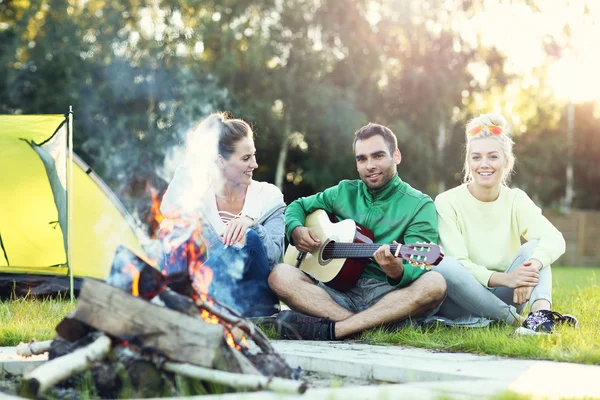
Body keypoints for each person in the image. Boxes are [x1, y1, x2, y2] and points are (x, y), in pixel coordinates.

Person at [267, 123, 447, 340]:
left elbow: (422, 265)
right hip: (335, 291)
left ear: (396, 156)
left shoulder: (419, 204)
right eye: (362, 159)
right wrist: (295, 229)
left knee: (435, 284)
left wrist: (398, 271)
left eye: (378, 156)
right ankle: (370, 327)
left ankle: (338, 329)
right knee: (279, 275)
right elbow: (298, 206)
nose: (369, 165)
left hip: (387, 296)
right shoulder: (343, 191)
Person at [433, 113, 577, 334]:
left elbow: (554, 238)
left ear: (506, 162)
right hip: (463, 297)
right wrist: (509, 278)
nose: (484, 165)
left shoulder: (516, 199)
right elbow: (459, 264)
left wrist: (531, 268)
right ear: (468, 162)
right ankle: (515, 320)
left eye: (493, 157)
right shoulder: (447, 202)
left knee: (536, 249)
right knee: (446, 265)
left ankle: (540, 316)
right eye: (476, 157)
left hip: (509, 293)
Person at [160, 113, 284, 317]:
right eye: (246, 158)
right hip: (219, 298)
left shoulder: (268, 195)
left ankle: (181, 301)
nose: (255, 164)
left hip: (257, 300)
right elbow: (168, 209)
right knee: (175, 230)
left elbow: (272, 257)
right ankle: (184, 299)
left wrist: (249, 223)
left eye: (253, 155)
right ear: (220, 161)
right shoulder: (201, 198)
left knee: (247, 237)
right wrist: (192, 160)